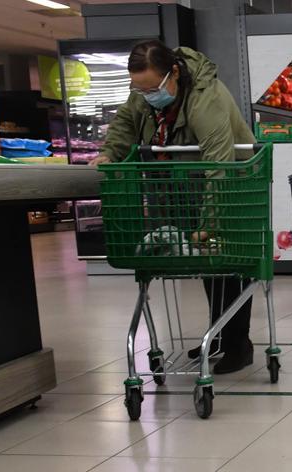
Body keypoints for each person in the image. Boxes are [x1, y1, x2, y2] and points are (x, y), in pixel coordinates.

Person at [91, 40, 257, 374]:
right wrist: (110, 152)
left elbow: (218, 166)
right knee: (209, 264)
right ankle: (219, 335)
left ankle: (239, 344)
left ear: (174, 73)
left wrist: (208, 223)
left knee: (229, 258)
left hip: (233, 180)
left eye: (152, 88)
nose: (147, 95)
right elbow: (125, 122)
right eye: (139, 89)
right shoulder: (143, 93)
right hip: (187, 179)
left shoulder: (204, 99)